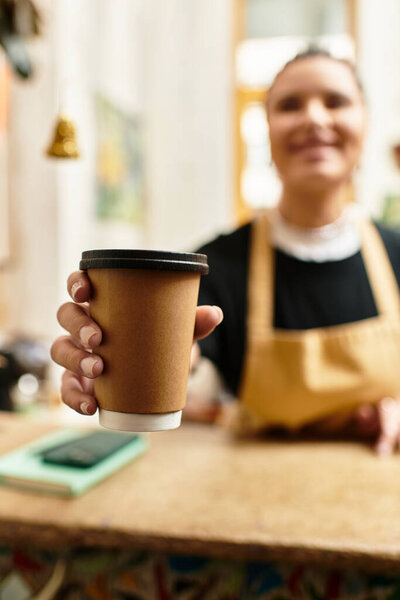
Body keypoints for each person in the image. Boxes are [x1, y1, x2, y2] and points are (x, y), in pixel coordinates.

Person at [51, 47, 400, 455]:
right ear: (266, 131)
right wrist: (112, 356)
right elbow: (183, 351)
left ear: (366, 124)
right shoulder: (217, 265)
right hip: (251, 497)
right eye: (290, 105)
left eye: (335, 102)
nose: (314, 118)